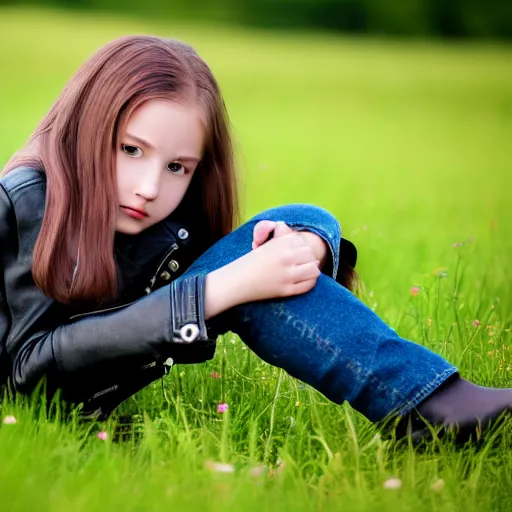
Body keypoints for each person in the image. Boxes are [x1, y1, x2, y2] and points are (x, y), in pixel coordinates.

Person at [0, 35, 510, 444]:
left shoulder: (166, 211)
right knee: (246, 276)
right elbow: (25, 374)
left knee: (294, 224)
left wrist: (303, 246)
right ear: (88, 130)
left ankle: (432, 406)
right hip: (37, 400)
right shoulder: (34, 198)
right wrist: (221, 291)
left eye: (177, 166)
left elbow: (293, 223)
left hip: (106, 378)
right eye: (130, 149)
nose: (149, 187)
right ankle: (433, 408)